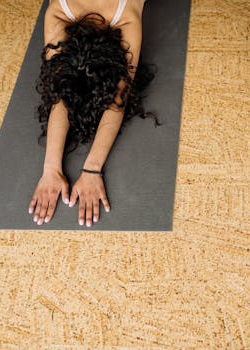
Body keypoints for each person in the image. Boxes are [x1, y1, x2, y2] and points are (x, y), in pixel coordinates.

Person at [29, 0, 154, 227]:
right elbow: (60, 90)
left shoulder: (125, 15)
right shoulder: (59, 11)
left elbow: (119, 97)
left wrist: (92, 168)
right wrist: (51, 168)